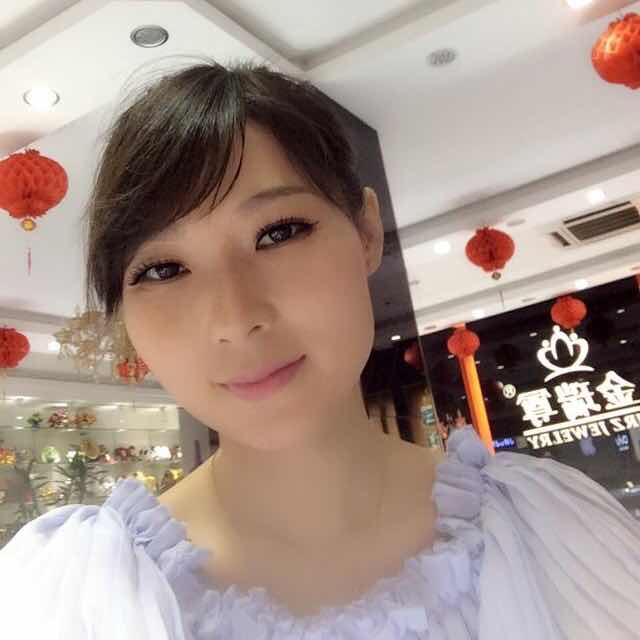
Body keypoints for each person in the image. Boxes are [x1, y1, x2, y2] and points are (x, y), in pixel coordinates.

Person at [1, 59, 639, 639]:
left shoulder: (556, 535)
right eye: (163, 270)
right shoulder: (68, 600)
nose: (237, 318)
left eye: (279, 232)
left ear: (365, 230)